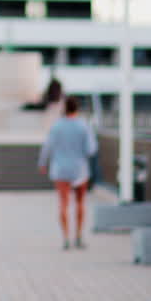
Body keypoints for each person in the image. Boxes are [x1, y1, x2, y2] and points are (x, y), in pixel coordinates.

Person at [38, 95, 98, 250]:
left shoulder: (57, 126)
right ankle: (78, 236)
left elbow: (47, 147)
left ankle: (65, 238)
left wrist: (42, 163)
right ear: (77, 108)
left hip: (60, 169)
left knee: (63, 204)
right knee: (80, 203)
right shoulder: (84, 126)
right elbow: (91, 149)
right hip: (80, 169)